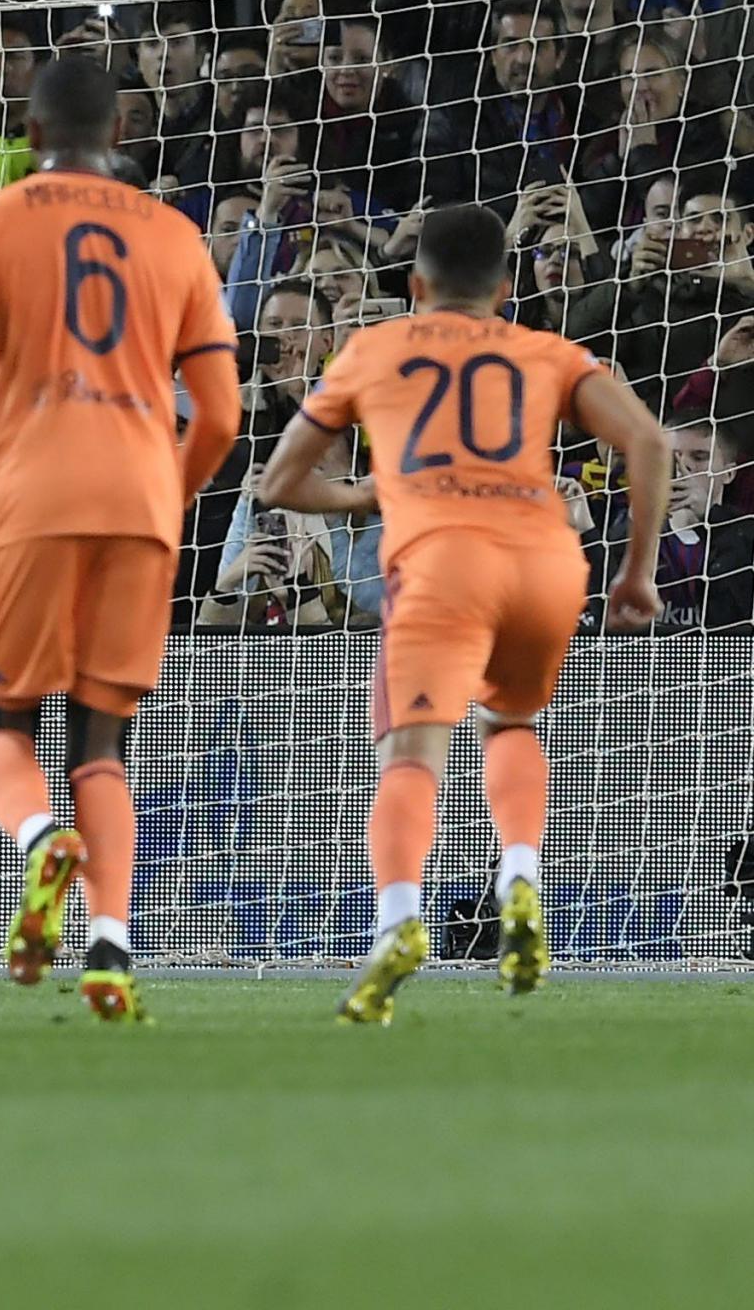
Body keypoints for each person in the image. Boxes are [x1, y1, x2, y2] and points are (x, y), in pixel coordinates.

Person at [0, 54, 242, 1023]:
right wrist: (166, 493)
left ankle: (39, 842)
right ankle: (109, 946)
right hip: (139, 504)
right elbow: (225, 416)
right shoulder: (180, 236)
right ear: (122, 133)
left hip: (29, 499)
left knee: (2, 723)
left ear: (29, 132)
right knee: (102, 743)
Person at [254, 202, 668, 1026]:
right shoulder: (544, 350)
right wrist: (637, 575)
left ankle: (399, 921)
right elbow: (650, 444)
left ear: (415, 284)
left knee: (410, 755)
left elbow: (277, 485)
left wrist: (371, 490)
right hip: (549, 563)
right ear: (505, 288)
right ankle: (521, 871)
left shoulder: (375, 348)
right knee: (510, 722)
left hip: (443, 563)